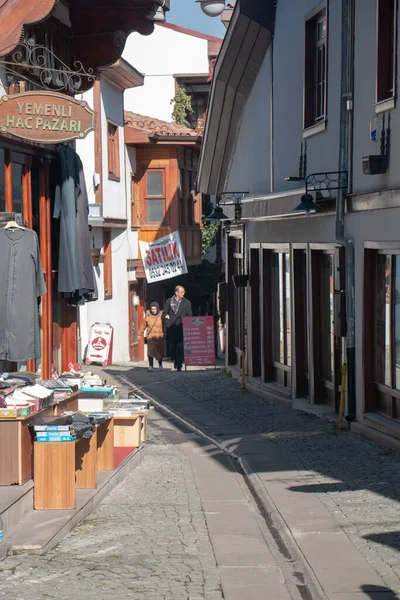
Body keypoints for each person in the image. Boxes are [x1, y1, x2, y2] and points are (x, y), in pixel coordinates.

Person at [164, 285, 192, 371]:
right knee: (171, 348)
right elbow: (165, 313)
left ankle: (179, 364)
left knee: (180, 348)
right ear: (176, 292)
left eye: (184, 292)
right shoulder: (169, 301)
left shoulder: (187, 302)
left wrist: (185, 321)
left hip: (181, 327)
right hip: (171, 328)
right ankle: (176, 360)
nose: (183, 293)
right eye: (181, 292)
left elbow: (189, 315)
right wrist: (167, 321)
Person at [138, 302, 164, 372]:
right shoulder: (147, 315)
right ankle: (151, 366)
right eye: (152, 309)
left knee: (159, 352)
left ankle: (160, 365)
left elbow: (165, 324)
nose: (153, 311)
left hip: (159, 336)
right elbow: (143, 325)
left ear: (157, 309)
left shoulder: (161, 315)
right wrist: (139, 333)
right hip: (150, 336)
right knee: (150, 352)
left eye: (155, 309)